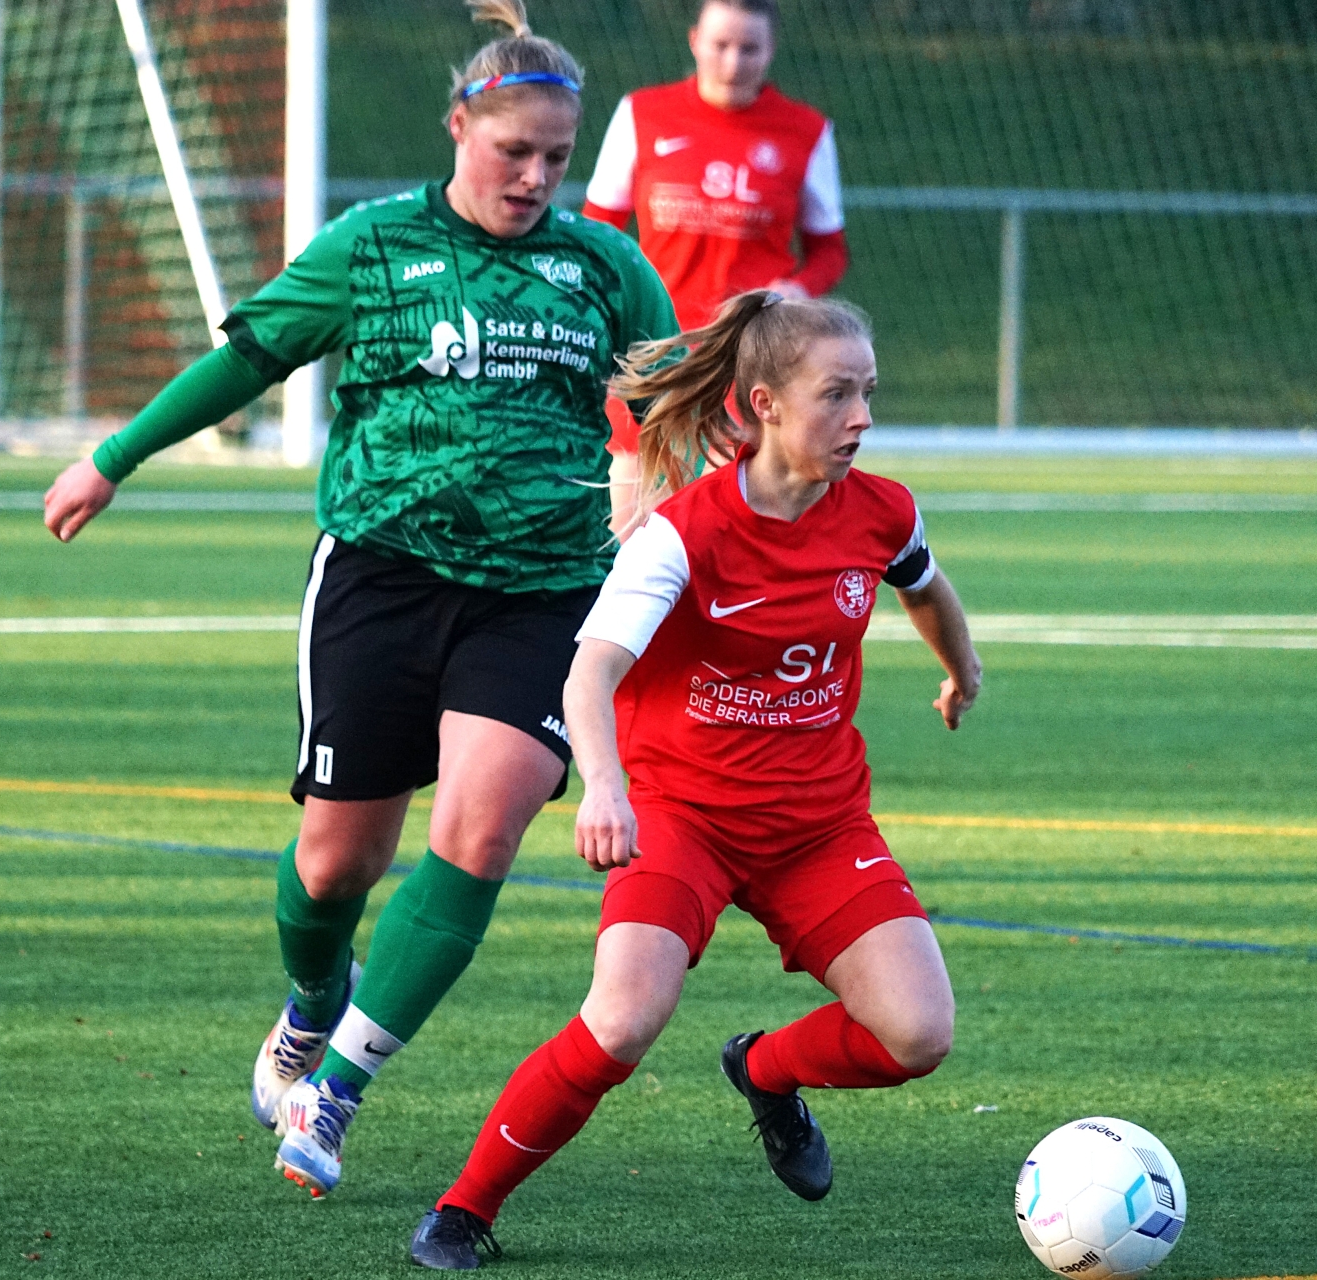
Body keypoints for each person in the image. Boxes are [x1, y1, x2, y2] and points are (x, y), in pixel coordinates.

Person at [42, 0, 676, 1200]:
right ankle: (311, 999)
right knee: (338, 864)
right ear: (459, 127)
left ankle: (336, 1086)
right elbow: (249, 356)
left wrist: (649, 458)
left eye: (555, 157)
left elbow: (674, 394)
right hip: (380, 574)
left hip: (543, 591)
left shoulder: (605, 266)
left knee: (480, 832)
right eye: (514, 151)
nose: (536, 177)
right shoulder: (375, 247)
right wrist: (112, 458)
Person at [406, 291, 982, 1270]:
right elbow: (589, 673)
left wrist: (961, 670)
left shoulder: (882, 510)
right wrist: (604, 786)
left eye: (869, 393)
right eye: (836, 395)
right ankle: (464, 1207)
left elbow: (924, 583)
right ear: (764, 404)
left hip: (818, 824)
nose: (862, 418)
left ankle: (765, 1068)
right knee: (622, 1020)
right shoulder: (682, 534)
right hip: (685, 817)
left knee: (918, 1033)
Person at [580, 0, 848, 528]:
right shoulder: (642, 114)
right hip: (654, 350)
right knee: (628, 532)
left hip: (749, 355)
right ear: (694, 41)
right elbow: (597, 235)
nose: (732, 62)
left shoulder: (805, 131)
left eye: (749, 48)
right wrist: (608, 320)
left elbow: (830, 251)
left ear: (771, 51)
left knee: (732, 528)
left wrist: (797, 288)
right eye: (720, 45)